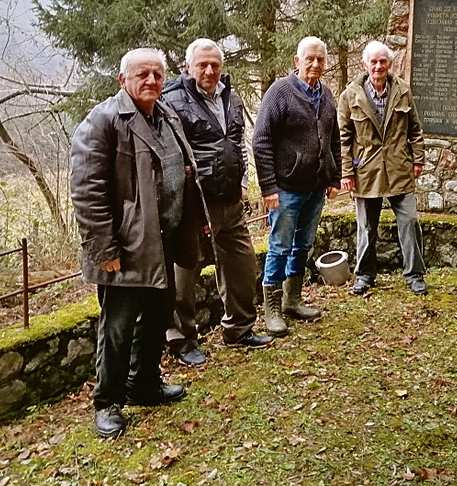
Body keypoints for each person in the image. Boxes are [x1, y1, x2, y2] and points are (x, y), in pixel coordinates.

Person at [70, 48, 210, 438]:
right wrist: (103, 249)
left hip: (163, 238)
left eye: (157, 74)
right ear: (123, 80)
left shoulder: (166, 115)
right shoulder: (103, 121)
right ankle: (107, 402)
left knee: (157, 316)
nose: (151, 80)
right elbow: (87, 191)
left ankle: (143, 385)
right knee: (117, 327)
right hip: (125, 247)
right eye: (142, 74)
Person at [161, 39, 273, 365]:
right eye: (202, 65)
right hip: (195, 203)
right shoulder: (173, 102)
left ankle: (239, 329)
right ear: (188, 67)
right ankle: (182, 341)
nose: (209, 70)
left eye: (215, 65)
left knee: (242, 265)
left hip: (230, 200)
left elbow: (237, 142)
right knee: (186, 274)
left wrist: (242, 182)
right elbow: (172, 155)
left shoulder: (230, 96)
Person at [253, 37, 341, 337]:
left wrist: (333, 177)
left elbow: (334, 140)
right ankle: (272, 310)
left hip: (316, 188)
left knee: (303, 245)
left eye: (320, 59)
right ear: (297, 60)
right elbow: (261, 141)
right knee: (279, 246)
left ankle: (292, 300)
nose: (315, 64)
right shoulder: (279, 92)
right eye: (310, 59)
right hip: (286, 188)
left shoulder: (327, 95)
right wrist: (268, 187)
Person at [338, 41, 428, 297]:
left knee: (409, 221)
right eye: (373, 62)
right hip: (366, 169)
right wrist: (346, 172)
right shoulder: (350, 95)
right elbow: (343, 138)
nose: (378, 66)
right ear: (365, 64)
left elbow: (414, 129)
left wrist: (418, 159)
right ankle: (365, 275)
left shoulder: (402, 90)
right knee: (366, 226)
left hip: (399, 167)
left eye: (383, 62)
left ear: (390, 64)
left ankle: (415, 275)